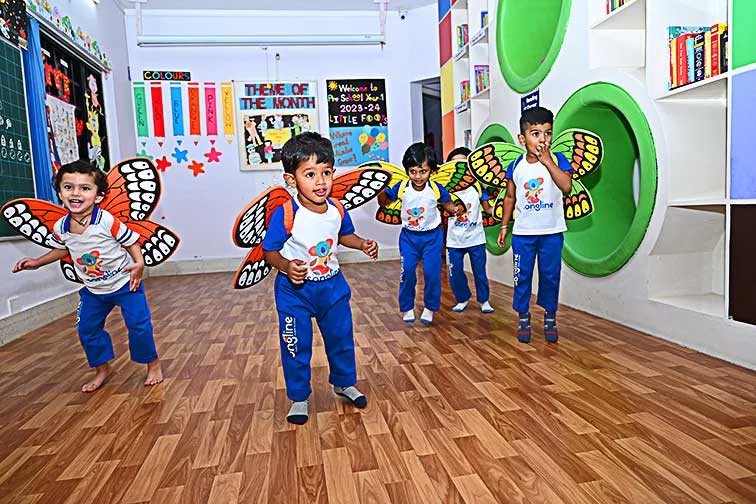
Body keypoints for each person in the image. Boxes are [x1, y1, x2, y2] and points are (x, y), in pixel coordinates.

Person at [12, 160, 163, 392]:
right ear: (60, 193)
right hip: (93, 291)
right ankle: (102, 369)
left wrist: (139, 263)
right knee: (86, 329)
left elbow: (131, 240)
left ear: (98, 196)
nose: (76, 193)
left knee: (139, 326)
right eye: (68, 187)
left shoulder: (106, 221)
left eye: (85, 188)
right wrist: (37, 262)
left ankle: (153, 364)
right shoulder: (61, 227)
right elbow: (62, 249)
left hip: (125, 285)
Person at [262, 132, 378, 425]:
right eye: (310, 174)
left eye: (326, 172)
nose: (320, 181)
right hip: (294, 293)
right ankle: (299, 397)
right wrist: (286, 266)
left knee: (341, 338)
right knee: (295, 346)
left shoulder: (337, 209)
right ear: (291, 180)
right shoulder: (286, 213)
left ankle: (344, 382)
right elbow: (269, 251)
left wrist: (362, 243)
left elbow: (344, 235)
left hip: (332, 288)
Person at [497, 106, 573, 343]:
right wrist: (504, 226)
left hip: (552, 232)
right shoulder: (515, 166)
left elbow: (566, 186)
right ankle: (523, 316)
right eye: (536, 133)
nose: (543, 139)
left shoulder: (558, 160)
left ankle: (550, 316)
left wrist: (548, 162)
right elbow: (510, 197)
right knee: (521, 275)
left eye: (548, 133)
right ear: (522, 139)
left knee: (550, 275)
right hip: (523, 234)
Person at [381, 143, 461, 324]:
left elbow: (447, 202)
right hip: (409, 238)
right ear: (407, 170)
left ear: (431, 170)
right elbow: (384, 202)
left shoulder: (436, 188)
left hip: (432, 238)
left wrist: (455, 209)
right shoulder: (402, 187)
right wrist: (381, 190)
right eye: (413, 172)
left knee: (432, 273)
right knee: (407, 273)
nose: (418, 176)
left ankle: (430, 307)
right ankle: (407, 307)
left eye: (423, 171)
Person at [445, 146, 494, 314]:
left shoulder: (478, 187)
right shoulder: (446, 189)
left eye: (463, 165)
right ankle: (462, 298)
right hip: (454, 240)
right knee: (455, 272)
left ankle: (484, 300)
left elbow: (488, 209)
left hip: (476, 238)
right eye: (455, 165)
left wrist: (505, 211)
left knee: (479, 272)